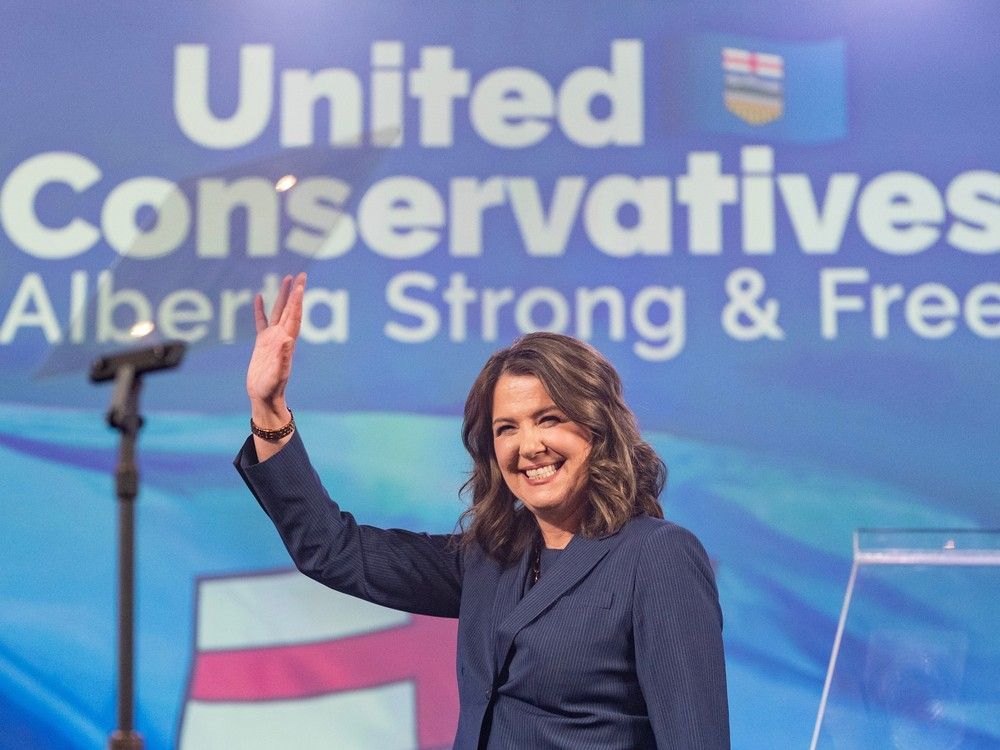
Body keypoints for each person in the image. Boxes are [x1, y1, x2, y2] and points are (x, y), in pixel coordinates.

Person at [235, 273, 730, 749]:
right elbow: (333, 550)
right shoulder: (490, 558)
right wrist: (270, 409)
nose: (528, 445)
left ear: (597, 428)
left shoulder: (657, 557)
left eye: (549, 419)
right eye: (506, 429)